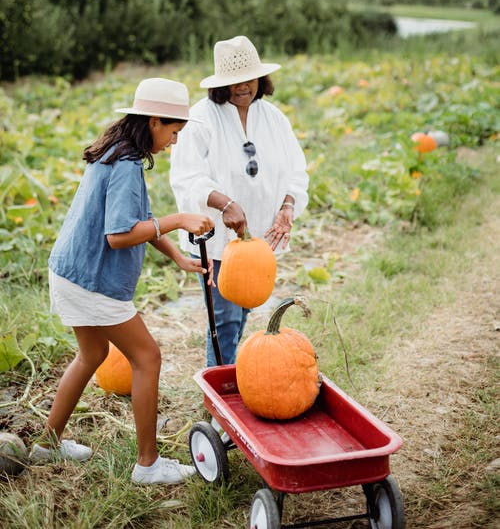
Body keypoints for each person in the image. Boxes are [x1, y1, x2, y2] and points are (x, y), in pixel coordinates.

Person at [30, 77, 214, 485]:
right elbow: (120, 235)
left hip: (70, 271)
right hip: (92, 281)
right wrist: (180, 219)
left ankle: (47, 442)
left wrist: (178, 256)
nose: (174, 141)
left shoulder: (115, 152)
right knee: (147, 358)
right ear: (153, 122)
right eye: (173, 131)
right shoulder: (128, 165)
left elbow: (140, 220)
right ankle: (148, 464)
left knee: (91, 355)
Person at [169, 35, 309, 368]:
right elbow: (187, 176)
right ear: (220, 84)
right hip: (217, 240)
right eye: (233, 81)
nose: (242, 86)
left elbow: (296, 170)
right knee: (225, 319)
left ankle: (229, 380)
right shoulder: (200, 118)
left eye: (249, 78)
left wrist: (288, 206)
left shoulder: (273, 118)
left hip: (259, 239)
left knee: (244, 308)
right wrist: (224, 203)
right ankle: (219, 394)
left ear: (261, 79)